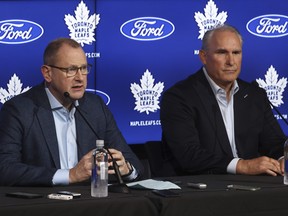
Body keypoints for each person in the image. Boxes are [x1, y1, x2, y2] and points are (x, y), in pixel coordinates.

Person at [0, 38, 143, 186]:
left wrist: (126, 169)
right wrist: (70, 175)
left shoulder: (95, 107)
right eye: (71, 70)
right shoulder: (20, 110)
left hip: (90, 203)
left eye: (84, 68)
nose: (80, 78)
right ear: (47, 73)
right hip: (43, 205)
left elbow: (135, 165)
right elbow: (5, 168)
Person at [160, 24, 287, 177]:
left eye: (236, 52)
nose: (231, 61)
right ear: (203, 57)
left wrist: (283, 158)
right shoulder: (179, 97)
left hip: (254, 187)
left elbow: (275, 143)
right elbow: (189, 155)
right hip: (205, 189)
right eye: (222, 52)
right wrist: (242, 165)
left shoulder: (255, 95)